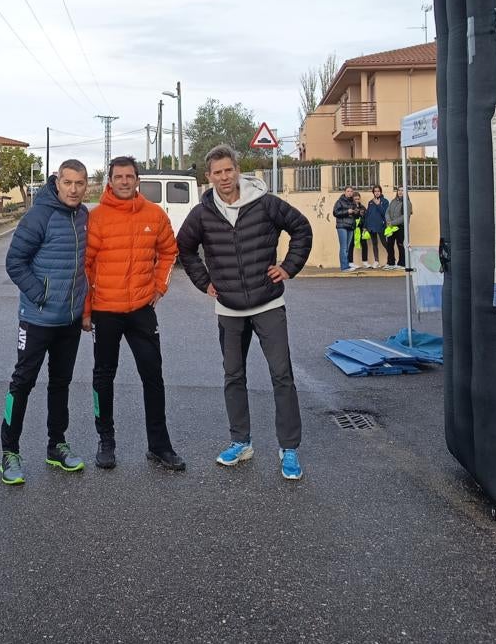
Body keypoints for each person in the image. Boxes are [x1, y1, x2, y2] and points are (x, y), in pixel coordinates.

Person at [176, 145, 313, 480]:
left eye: (228, 170)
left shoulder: (265, 203)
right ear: (208, 177)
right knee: (233, 376)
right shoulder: (202, 213)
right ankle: (241, 442)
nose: (224, 177)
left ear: (237, 170)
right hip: (229, 308)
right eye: (217, 172)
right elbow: (185, 248)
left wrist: (288, 267)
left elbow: (301, 228)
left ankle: (289, 448)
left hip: (269, 304)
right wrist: (204, 282)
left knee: (282, 376)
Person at [83, 156, 185, 472]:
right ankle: (106, 442)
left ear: (137, 180)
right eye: (119, 177)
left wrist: (160, 287)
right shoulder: (96, 218)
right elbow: (85, 266)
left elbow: (169, 252)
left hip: (142, 310)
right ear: (110, 181)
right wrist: (86, 310)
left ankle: (159, 446)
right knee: (103, 377)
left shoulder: (154, 214)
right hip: (105, 311)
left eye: (130, 176)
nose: (124, 181)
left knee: (153, 376)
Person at [0, 160, 90, 485]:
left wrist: (82, 306)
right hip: (37, 319)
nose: (74, 189)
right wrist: (40, 295)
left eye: (80, 183)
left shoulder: (83, 216)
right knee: (22, 383)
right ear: (57, 181)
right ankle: (9, 452)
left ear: (86, 185)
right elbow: (15, 262)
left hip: (69, 320)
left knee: (60, 383)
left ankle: (56, 445)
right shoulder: (39, 216)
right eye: (68, 182)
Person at [385, 186, 412, 269]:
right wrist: (388, 221)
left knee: (400, 244)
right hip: (391, 227)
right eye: (399, 190)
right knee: (390, 244)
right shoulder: (393, 201)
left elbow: (405, 217)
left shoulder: (407, 203)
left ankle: (402, 263)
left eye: (402, 190)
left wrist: (392, 223)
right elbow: (387, 212)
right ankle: (391, 263)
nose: (400, 192)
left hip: (400, 227)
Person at [363, 185, 390, 269]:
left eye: (378, 191)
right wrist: (365, 226)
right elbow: (367, 215)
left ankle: (391, 259)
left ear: (381, 192)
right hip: (371, 226)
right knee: (374, 244)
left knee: (384, 243)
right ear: (373, 192)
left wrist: (378, 204)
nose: (377, 193)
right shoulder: (370, 202)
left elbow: (385, 214)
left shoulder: (385, 201)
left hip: (381, 226)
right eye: (375, 191)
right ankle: (376, 261)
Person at [332, 186, 358, 272]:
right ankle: (344, 267)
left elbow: (356, 215)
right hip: (342, 226)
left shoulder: (353, 202)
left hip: (350, 226)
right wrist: (347, 211)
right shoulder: (339, 201)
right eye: (348, 191)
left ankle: (346, 265)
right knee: (343, 247)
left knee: (347, 247)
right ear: (345, 192)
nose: (350, 193)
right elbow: (335, 212)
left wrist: (356, 212)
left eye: (351, 191)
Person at [349, 191, 370, 269]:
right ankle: (350, 262)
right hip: (353, 228)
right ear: (353, 199)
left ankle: (365, 262)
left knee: (364, 244)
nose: (357, 200)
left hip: (361, 228)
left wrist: (365, 227)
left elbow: (366, 218)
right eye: (355, 199)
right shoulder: (351, 207)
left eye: (358, 199)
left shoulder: (363, 207)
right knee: (351, 244)